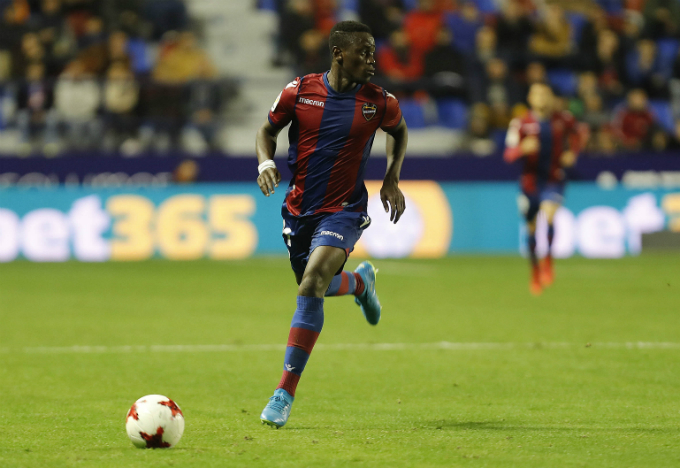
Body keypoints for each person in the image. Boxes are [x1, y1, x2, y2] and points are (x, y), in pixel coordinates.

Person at [255, 21, 407, 428]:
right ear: (339, 54)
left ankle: (283, 393)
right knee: (313, 283)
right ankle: (360, 283)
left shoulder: (379, 102)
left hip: (345, 209)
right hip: (299, 209)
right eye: (364, 52)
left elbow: (399, 131)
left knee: (311, 283)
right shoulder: (299, 91)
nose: (372, 61)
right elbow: (267, 130)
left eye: (374, 53)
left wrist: (391, 177)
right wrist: (265, 161)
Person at [504, 83, 581, 295]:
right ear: (530, 98)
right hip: (529, 183)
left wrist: (572, 152)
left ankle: (548, 261)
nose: (541, 98)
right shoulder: (520, 123)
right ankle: (535, 271)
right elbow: (508, 154)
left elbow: (578, 135)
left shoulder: (563, 119)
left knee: (548, 216)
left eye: (545, 94)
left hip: (554, 179)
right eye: (537, 94)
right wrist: (522, 149)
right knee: (531, 228)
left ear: (551, 97)